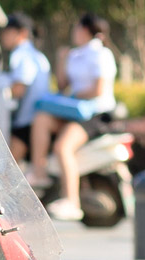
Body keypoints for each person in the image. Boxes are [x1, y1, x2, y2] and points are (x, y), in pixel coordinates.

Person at [25, 12, 117, 223]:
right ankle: (39, 172)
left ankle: (72, 202)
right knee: (41, 119)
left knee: (63, 147)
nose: (74, 32)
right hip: (76, 111)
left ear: (85, 30)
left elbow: (98, 89)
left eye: (76, 27)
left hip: (95, 114)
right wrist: (62, 59)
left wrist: (73, 96)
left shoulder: (101, 54)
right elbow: (63, 85)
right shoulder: (75, 54)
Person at [0, 12, 50, 162]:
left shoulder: (22, 55)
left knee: (5, 174)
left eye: (8, 32)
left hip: (26, 124)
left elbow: (18, 89)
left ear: (23, 33)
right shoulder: (37, 55)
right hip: (32, 121)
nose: (3, 36)